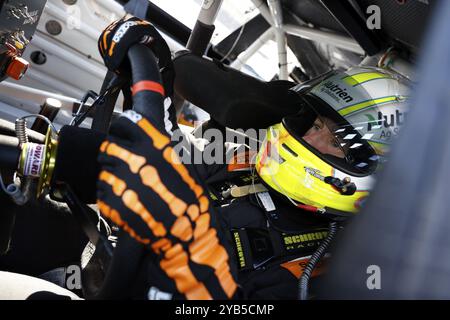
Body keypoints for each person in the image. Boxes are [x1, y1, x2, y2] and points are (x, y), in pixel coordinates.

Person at [94, 17, 412, 300]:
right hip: (103, 246)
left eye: (336, 141)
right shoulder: (247, 162)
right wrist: (153, 66)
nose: (310, 138)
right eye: (316, 124)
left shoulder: (322, 271)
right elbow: (164, 158)